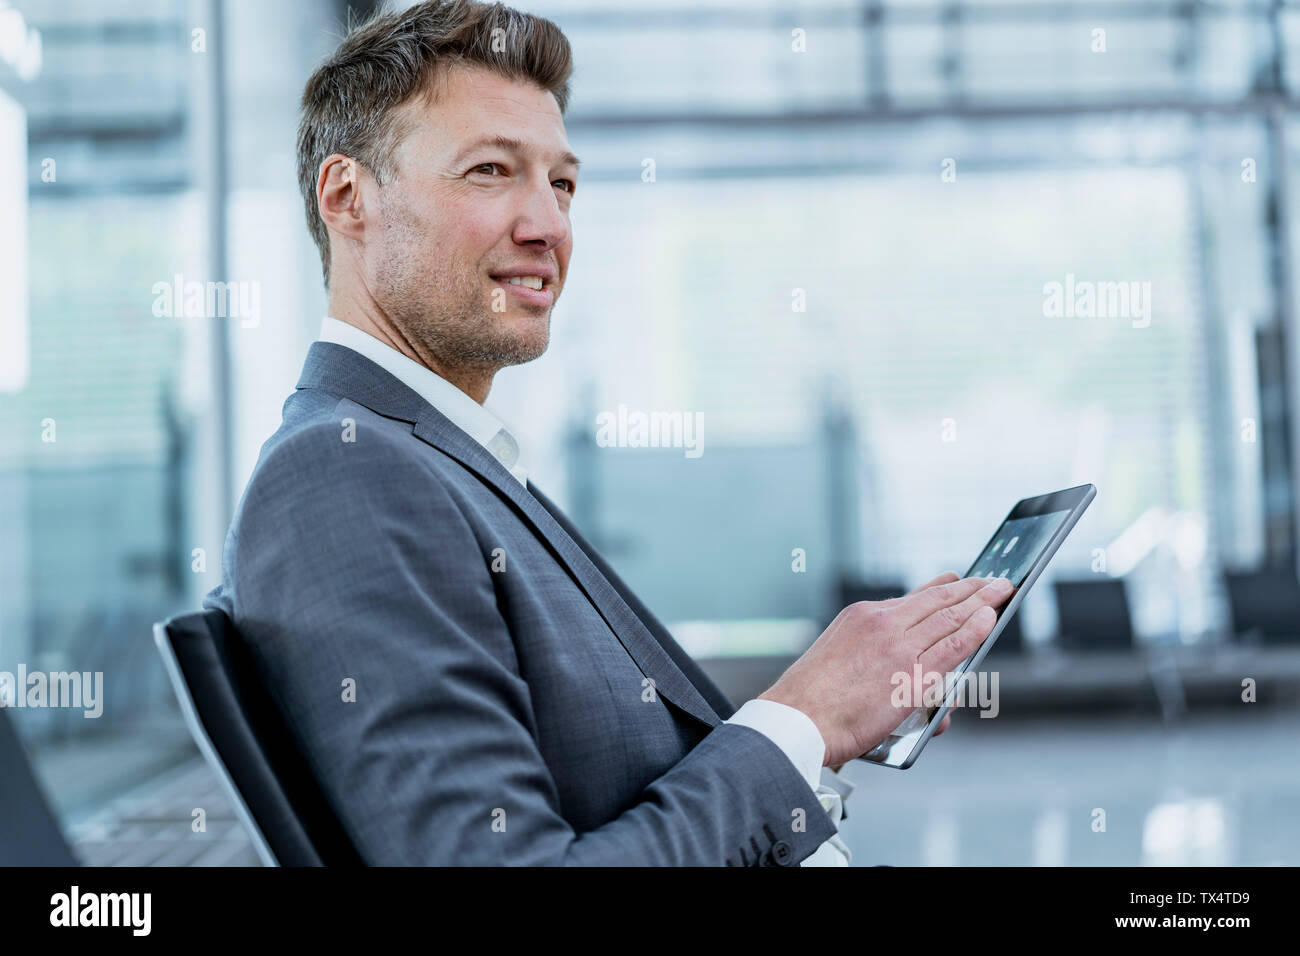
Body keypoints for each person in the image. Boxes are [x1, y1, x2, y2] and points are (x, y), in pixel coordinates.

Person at [203, 0, 1013, 866]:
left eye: (562, 183)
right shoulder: (346, 475)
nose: (549, 224)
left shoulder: (441, 459)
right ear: (347, 197)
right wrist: (805, 719)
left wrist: (830, 704)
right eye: (488, 171)